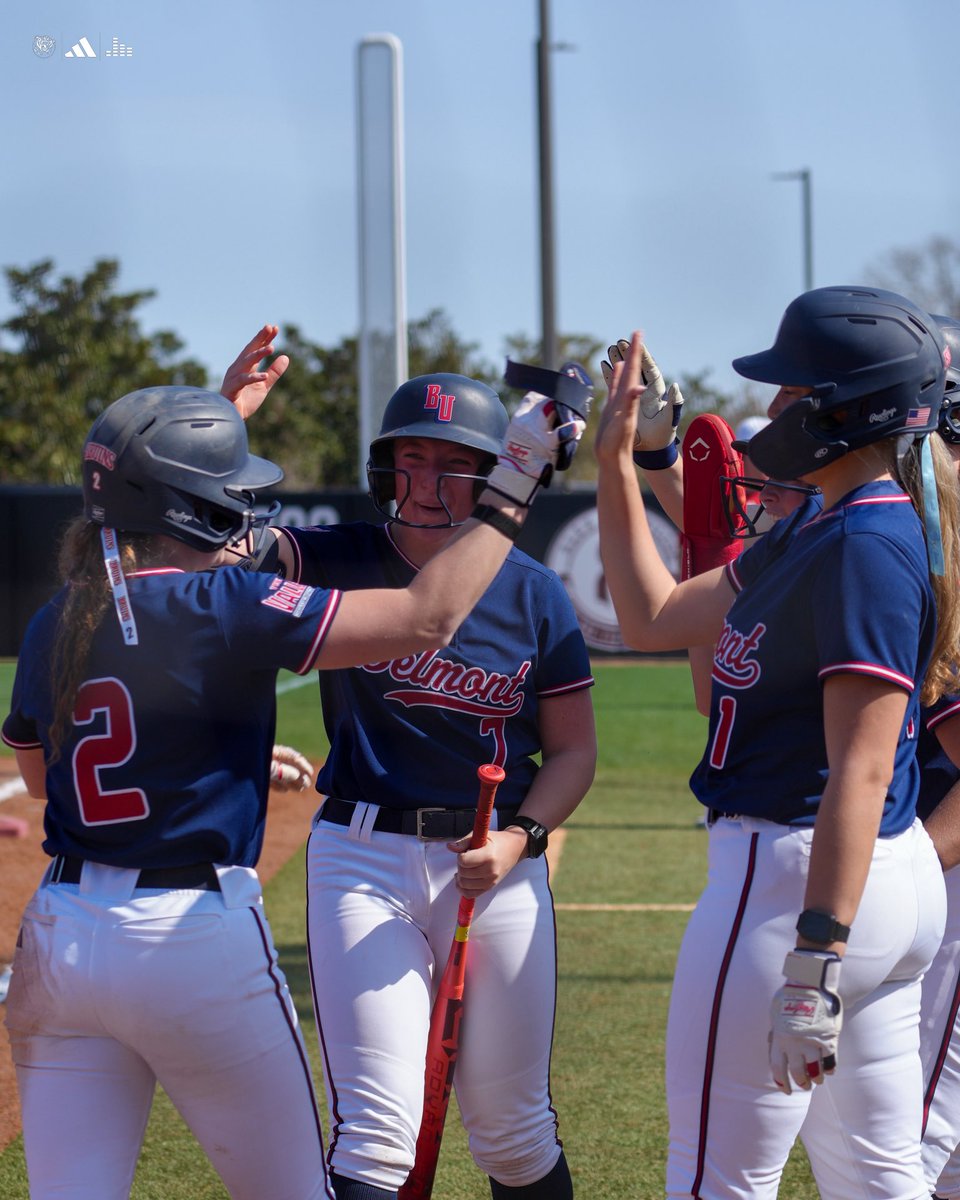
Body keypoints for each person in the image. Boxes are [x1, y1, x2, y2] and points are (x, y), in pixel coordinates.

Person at [1, 377, 583, 1200]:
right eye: (232, 494)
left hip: (58, 937)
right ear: (196, 509)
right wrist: (520, 476)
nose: (248, 513)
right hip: (192, 935)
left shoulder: (62, 613)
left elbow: (42, 775)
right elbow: (427, 618)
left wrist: (210, 759)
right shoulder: (231, 596)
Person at [594, 286, 960, 1200]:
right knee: (877, 1176)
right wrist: (616, 464)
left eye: (794, 393)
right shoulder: (825, 521)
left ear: (850, 409)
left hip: (801, 877)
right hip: (862, 877)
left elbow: (863, 769)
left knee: (715, 1178)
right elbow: (653, 617)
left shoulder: (866, 536)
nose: (772, 408)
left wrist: (816, 958)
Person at [220, 328, 598, 1200]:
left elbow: (574, 750)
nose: (426, 485)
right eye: (409, 461)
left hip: (492, 867)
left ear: (496, 470)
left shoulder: (535, 592)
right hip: (363, 858)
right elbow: (214, 557)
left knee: (512, 1133)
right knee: (377, 1138)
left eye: (452, 464)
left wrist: (523, 839)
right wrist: (226, 427)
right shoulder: (333, 554)